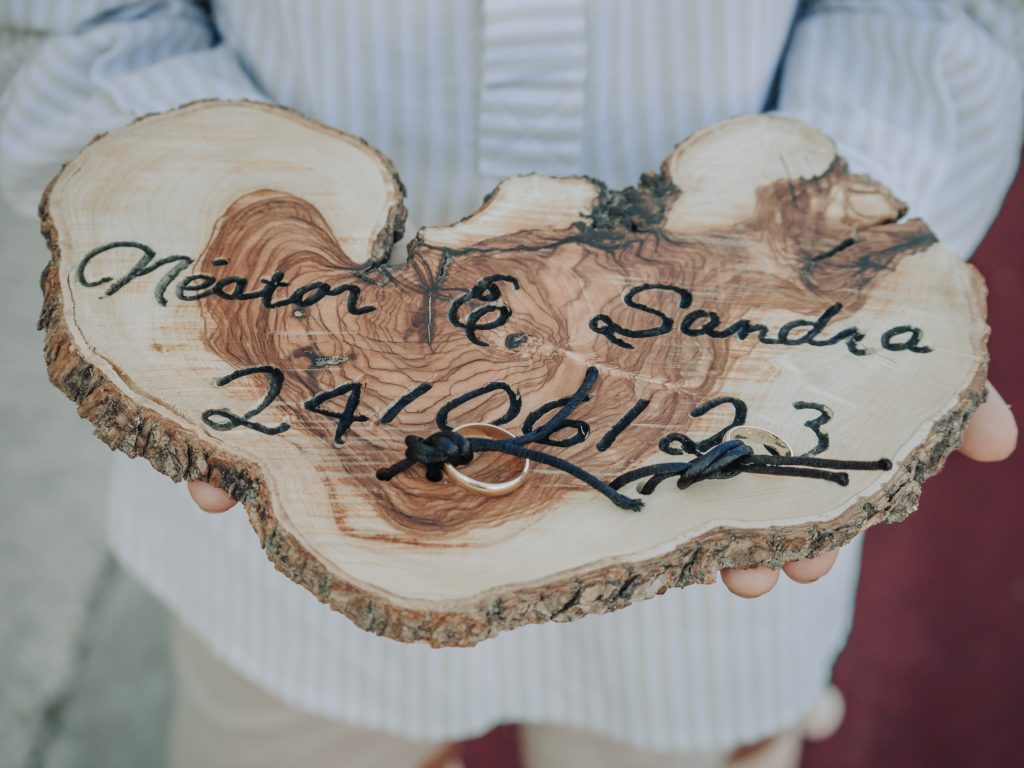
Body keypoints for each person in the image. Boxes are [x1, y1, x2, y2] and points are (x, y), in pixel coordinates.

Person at [1, 1, 1019, 766]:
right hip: (286, 485)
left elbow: (940, 20)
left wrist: (823, 250)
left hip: (711, 474)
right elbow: (77, 24)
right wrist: (224, 243)